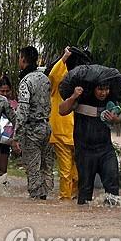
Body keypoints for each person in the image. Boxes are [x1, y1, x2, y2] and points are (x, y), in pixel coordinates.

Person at [59, 82, 121, 205]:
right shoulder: (81, 98)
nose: (104, 93)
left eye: (107, 89)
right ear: (93, 88)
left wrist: (115, 119)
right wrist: (73, 96)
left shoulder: (110, 100)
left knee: (112, 185)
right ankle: (84, 219)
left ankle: (113, 219)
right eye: (100, 89)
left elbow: (120, 117)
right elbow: (62, 110)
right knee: (85, 191)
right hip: (84, 152)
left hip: (106, 150)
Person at [12, 46, 55, 200]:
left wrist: (16, 136)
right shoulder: (45, 78)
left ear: (23, 59)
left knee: (33, 169)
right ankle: (45, 198)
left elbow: (23, 110)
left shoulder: (26, 81)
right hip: (47, 127)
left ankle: (37, 200)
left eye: (19, 58)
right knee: (46, 168)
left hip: (32, 129)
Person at [48, 47, 78, 200]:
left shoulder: (81, 83)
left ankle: (73, 200)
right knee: (66, 172)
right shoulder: (59, 82)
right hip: (61, 133)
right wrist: (65, 56)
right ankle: (65, 200)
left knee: (77, 174)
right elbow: (53, 75)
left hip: (78, 134)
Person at [0, 75, 18, 175]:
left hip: (6, 141)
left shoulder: (14, 105)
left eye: (7, 91)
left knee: (2, 169)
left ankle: (1, 187)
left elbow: (17, 123)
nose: (5, 94)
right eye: (2, 91)